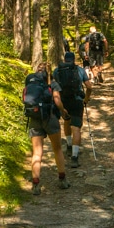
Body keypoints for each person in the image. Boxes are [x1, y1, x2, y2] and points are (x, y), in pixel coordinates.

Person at [24, 62, 71, 195]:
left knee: (37, 153)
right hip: (50, 118)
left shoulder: (30, 81)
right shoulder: (53, 84)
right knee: (57, 149)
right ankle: (62, 179)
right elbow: (56, 99)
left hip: (35, 118)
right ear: (49, 73)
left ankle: (36, 184)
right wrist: (63, 111)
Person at [53, 52, 92, 168]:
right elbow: (89, 87)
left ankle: (69, 145)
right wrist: (86, 98)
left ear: (64, 59)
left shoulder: (57, 70)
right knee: (76, 127)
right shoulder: (80, 70)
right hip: (77, 100)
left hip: (63, 101)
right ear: (74, 60)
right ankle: (74, 157)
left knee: (66, 121)